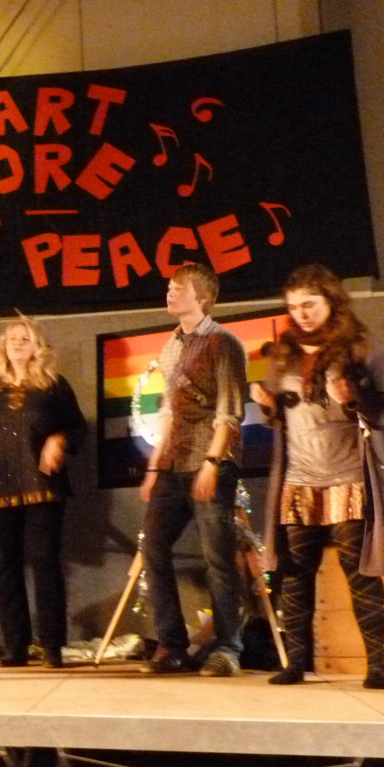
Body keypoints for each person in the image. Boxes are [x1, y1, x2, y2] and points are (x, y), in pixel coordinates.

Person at [256, 265, 384, 689]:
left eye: (310, 305)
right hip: (299, 478)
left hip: (349, 476)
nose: (301, 315)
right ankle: (296, 664)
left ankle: (377, 668)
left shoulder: (360, 348)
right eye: (294, 307)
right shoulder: (283, 354)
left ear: (331, 301)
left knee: (361, 574)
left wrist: (354, 396)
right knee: (295, 574)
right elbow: (284, 417)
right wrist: (267, 406)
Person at [137, 262, 248, 677]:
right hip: (172, 464)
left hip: (208, 461)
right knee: (153, 548)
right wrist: (153, 465)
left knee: (217, 558)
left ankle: (228, 648)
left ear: (202, 297)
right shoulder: (171, 344)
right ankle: (172, 646)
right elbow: (169, 409)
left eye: (179, 288)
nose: (170, 292)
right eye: (169, 286)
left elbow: (229, 411)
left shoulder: (223, 342)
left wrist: (213, 463)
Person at [0, 317, 86, 668]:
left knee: (45, 563)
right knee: (5, 566)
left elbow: (78, 429)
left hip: (42, 487)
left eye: (25, 338)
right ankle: (16, 646)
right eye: (12, 338)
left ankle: (52, 646)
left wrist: (58, 439)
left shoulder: (53, 386)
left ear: (37, 347)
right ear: (3, 346)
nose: (17, 343)